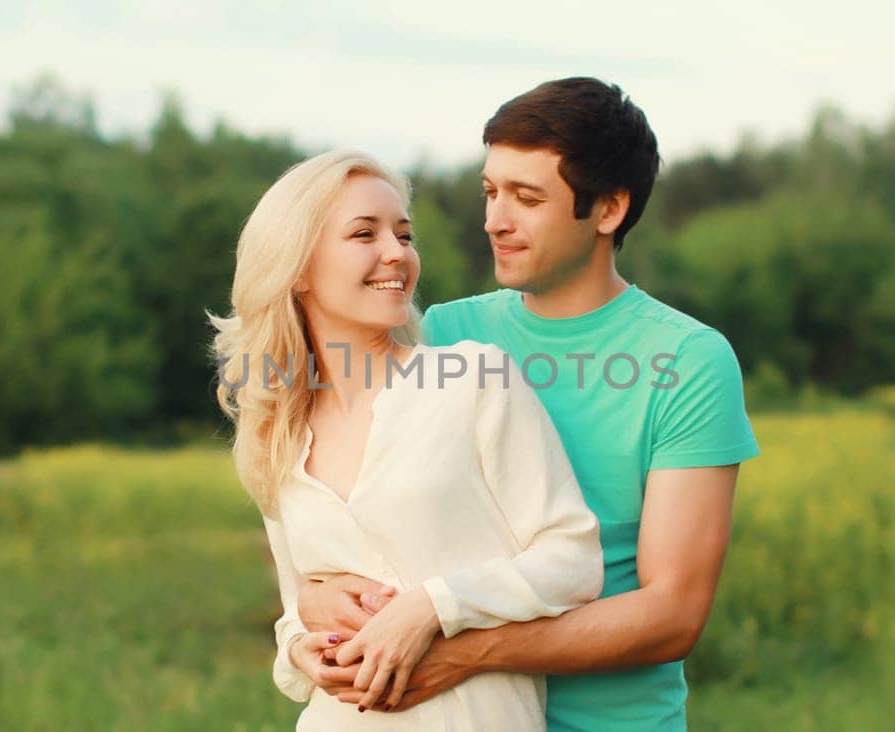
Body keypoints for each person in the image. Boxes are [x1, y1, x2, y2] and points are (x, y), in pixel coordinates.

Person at [295, 78, 761, 730]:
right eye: (490, 192)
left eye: (527, 197)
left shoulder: (687, 362)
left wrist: (468, 652)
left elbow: (672, 614)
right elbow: (347, 510)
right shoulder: (442, 335)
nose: (495, 220)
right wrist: (316, 597)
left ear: (607, 209)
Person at [209, 150, 604, 729]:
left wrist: (430, 608)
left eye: (404, 234)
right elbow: (297, 609)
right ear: (296, 267)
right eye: (363, 234)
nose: (396, 253)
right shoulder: (277, 428)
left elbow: (572, 560)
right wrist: (301, 649)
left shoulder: (474, 379)